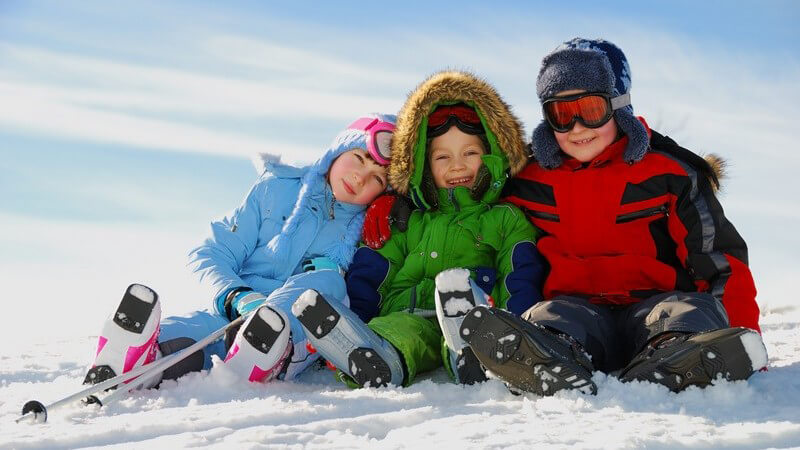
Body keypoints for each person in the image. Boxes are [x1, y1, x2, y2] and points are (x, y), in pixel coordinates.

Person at [459, 38, 768, 395]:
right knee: (551, 318)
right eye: (561, 114)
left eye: (589, 109)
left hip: (657, 305)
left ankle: (678, 356)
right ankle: (548, 358)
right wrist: (397, 203)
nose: (576, 127)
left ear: (618, 107)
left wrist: (744, 335)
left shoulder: (669, 173)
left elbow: (719, 261)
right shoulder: (527, 178)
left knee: (688, 311)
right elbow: (464, 212)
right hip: (577, 310)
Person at [83, 114, 397, 389]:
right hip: (235, 310)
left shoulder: (372, 227)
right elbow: (212, 253)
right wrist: (235, 295)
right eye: (358, 158)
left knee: (326, 283)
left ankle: (272, 344)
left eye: (377, 178)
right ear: (337, 149)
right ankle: (135, 355)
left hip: (298, 329)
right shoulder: (276, 189)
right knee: (198, 332)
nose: (360, 177)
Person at [290, 70, 546, 388]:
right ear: (423, 166)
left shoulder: (504, 218)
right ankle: (372, 354)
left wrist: (517, 327)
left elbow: (518, 273)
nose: (457, 165)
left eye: (470, 153)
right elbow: (373, 271)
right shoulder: (407, 219)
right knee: (399, 331)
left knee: (468, 312)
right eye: (442, 157)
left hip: (477, 312)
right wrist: (361, 319)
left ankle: (476, 354)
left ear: (492, 155)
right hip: (408, 313)